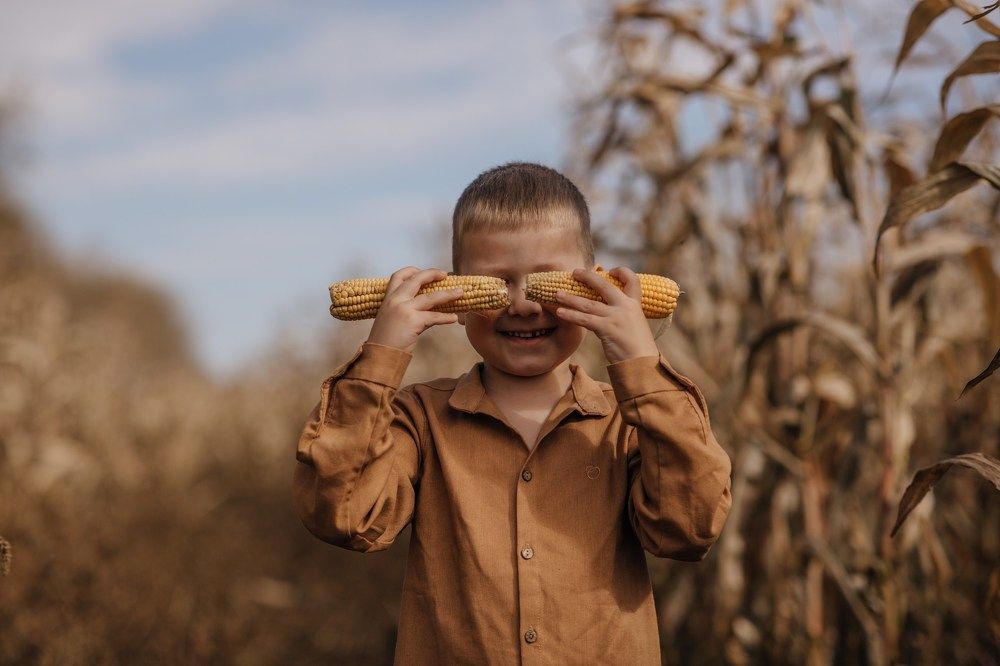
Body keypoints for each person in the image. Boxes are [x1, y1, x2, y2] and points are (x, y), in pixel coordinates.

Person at [292, 162, 733, 664]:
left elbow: (689, 527)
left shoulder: (627, 424)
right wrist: (381, 357)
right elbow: (345, 517)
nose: (523, 305)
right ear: (457, 294)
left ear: (595, 283)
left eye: (547, 282)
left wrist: (642, 368)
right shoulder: (418, 420)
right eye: (497, 284)